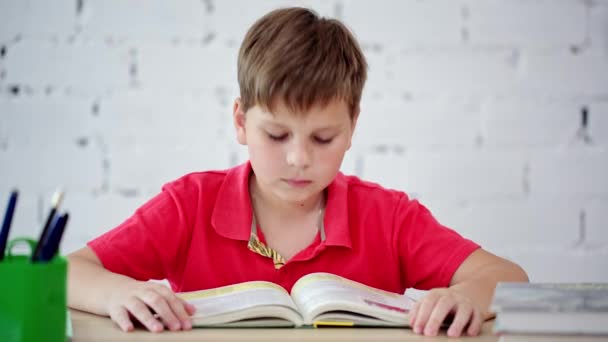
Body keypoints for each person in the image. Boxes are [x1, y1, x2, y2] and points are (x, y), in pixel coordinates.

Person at [67, 7, 528, 337]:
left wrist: (465, 297)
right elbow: (66, 272)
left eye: (323, 138)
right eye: (277, 135)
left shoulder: (388, 216)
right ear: (241, 122)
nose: (298, 159)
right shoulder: (190, 205)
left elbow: (509, 277)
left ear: (352, 129)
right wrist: (115, 294)